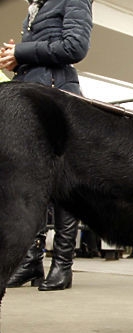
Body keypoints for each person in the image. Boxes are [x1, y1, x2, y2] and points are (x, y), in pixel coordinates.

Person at [0, 0, 93, 291]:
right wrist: (18, 59)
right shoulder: (37, 6)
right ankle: (30, 262)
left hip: (57, 98)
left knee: (63, 184)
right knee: (32, 183)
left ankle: (62, 266)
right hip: (35, 99)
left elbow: (75, 46)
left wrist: (21, 52)